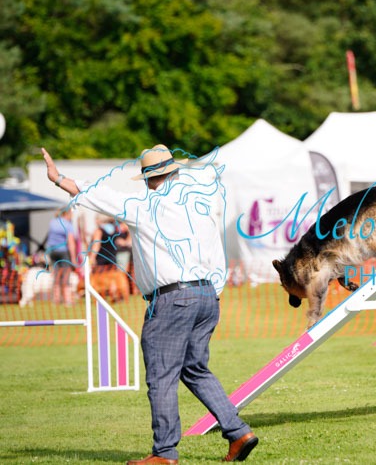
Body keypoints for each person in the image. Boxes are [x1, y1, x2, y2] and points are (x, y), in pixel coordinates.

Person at [42, 145, 257, 464]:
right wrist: (212, 295)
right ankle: (238, 432)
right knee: (195, 369)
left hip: (172, 299)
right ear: (174, 173)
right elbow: (217, 255)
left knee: (161, 376)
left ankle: (164, 453)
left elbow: (93, 194)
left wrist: (58, 178)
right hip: (206, 296)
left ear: (147, 179)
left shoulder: (143, 205)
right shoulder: (200, 209)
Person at [45, 208, 77, 305]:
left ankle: (56, 299)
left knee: (56, 275)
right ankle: (67, 300)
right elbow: (71, 243)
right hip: (63, 252)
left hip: (52, 252)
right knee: (66, 276)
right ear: (66, 214)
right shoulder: (68, 224)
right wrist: (73, 259)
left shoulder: (52, 222)